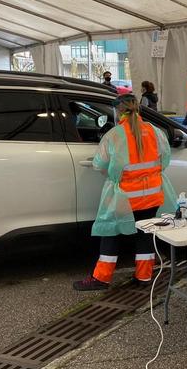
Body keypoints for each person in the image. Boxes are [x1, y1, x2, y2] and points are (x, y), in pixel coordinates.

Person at [73, 94, 177, 290]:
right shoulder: (155, 131)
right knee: (145, 234)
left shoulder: (114, 135)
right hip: (153, 195)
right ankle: (144, 277)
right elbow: (165, 160)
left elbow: (100, 164)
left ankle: (102, 278)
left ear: (118, 111)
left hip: (125, 198)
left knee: (111, 232)